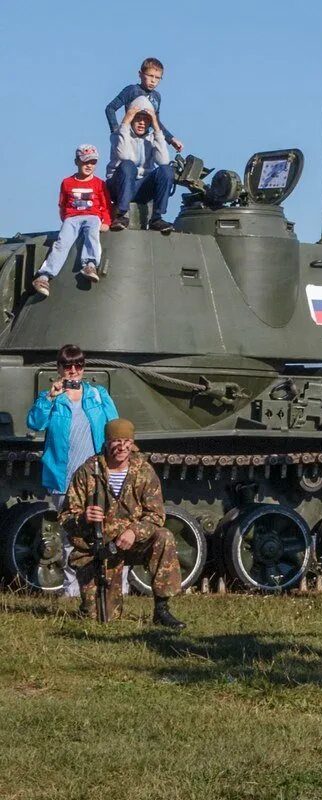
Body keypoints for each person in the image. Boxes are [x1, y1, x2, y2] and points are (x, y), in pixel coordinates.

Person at [61, 419, 184, 629]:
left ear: (132, 443)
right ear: (107, 443)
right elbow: (65, 517)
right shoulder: (88, 472)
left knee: (164, 536)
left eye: (126, 441)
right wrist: (83, 517)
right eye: (116, 441)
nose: (121, 447)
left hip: (133, 543)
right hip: (98, 549)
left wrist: (135, 532)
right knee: (101, 617)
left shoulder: (143, 471)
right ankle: (89, 602)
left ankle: (162, 609)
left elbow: (156, 515)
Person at [25, 345, 119, 597]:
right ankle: (73, 593)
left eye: (78, 366)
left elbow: (115, 426)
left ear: (84, 368)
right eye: (68, 366)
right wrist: (50, 397)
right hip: (64, 477)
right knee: (69, 537)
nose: (74, 371)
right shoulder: (51, 397)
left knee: (108, 532)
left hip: (96, 476)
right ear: (59, 369)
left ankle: (112, 591)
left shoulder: (97, 395)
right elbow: (34, 423)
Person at [31, 145, 113, 296]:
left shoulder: (99, 184)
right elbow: (62, 204)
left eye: (93, 162)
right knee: (62, 243)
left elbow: (106, 204)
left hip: (92, 216)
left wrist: (106, 221)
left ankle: (90, 264)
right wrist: (66, 219)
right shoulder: (67, 182)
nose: (89, 165)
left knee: (92, 235)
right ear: (77, 162)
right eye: (86, 162)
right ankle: (44, 276)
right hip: (72, 217)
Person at [105, 97, 174, 233]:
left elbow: (164, 160)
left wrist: (156, 128)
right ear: (131, 118)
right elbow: (125, 156)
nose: (142, 123)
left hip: (141, 187)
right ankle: (122, 215)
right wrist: (125, 123)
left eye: (146, 119)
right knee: (128, 165)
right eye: (138, 119)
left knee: (167, 170)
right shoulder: (118, 135)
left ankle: (157, 217)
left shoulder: (151, 138)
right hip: (118, 185)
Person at [104, 57, 184, 152]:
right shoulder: (132, 90)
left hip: (145, 142)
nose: (153, 80)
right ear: (140, 74)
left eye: (157, 77)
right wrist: (116, 131)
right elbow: (110, 108)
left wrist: (171, 139)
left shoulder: (156, 97)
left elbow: (156, 123)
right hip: (128, 139)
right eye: (150, 75)